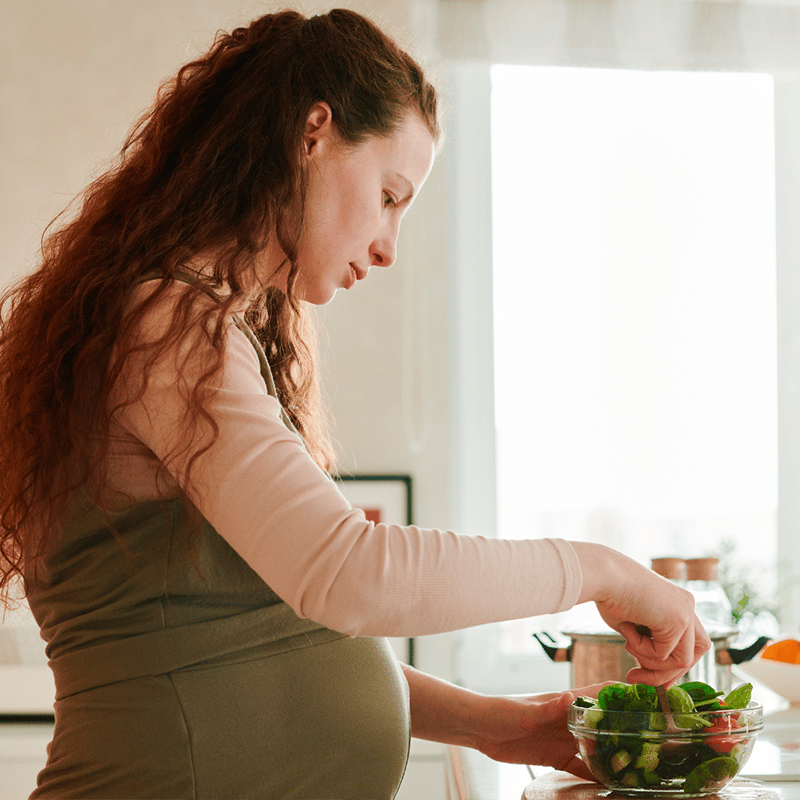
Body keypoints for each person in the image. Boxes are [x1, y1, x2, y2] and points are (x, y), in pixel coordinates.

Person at [0, 8, 710, 799]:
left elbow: (262, 642)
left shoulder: (195, 327)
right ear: (314, 133)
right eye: (389, 195)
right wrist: (602, 571)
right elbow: (350, 576)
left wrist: (500, 725)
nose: (387, 246)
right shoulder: (167, 326)